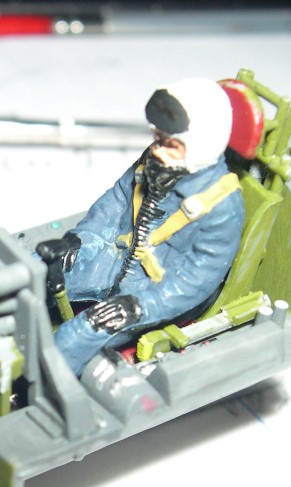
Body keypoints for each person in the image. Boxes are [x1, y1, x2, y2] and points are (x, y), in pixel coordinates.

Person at [40, 77, 246, 376]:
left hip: (157, 294)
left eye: (171, 145)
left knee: (77, 335)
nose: (158, 150)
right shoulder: (154, 160)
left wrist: (140, 307)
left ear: (199, 146)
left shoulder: (222, 208)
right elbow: (115, 203)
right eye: (158, 138)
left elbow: (196, 281)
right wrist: (80, 240)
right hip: (116, 256)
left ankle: (40, 386)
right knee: (37, 270)